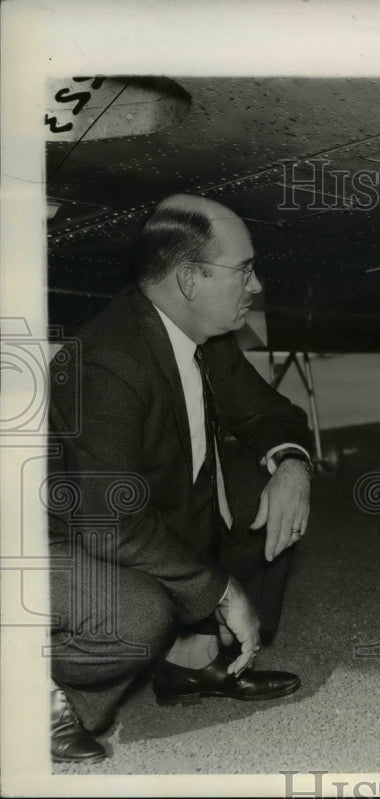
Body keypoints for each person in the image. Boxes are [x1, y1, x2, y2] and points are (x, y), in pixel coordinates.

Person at [47, 194, 314, 763]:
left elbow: (273, 415)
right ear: (190, 279)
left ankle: (193, 666)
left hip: (131, 517)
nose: (257, 285)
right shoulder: (106, 362)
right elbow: (108, 525)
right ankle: (36, 698)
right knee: (137, 616)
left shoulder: (204, 336)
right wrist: (220, 589)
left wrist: (292, 463)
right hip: (58, 541)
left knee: (263, 491)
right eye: (243, 270)